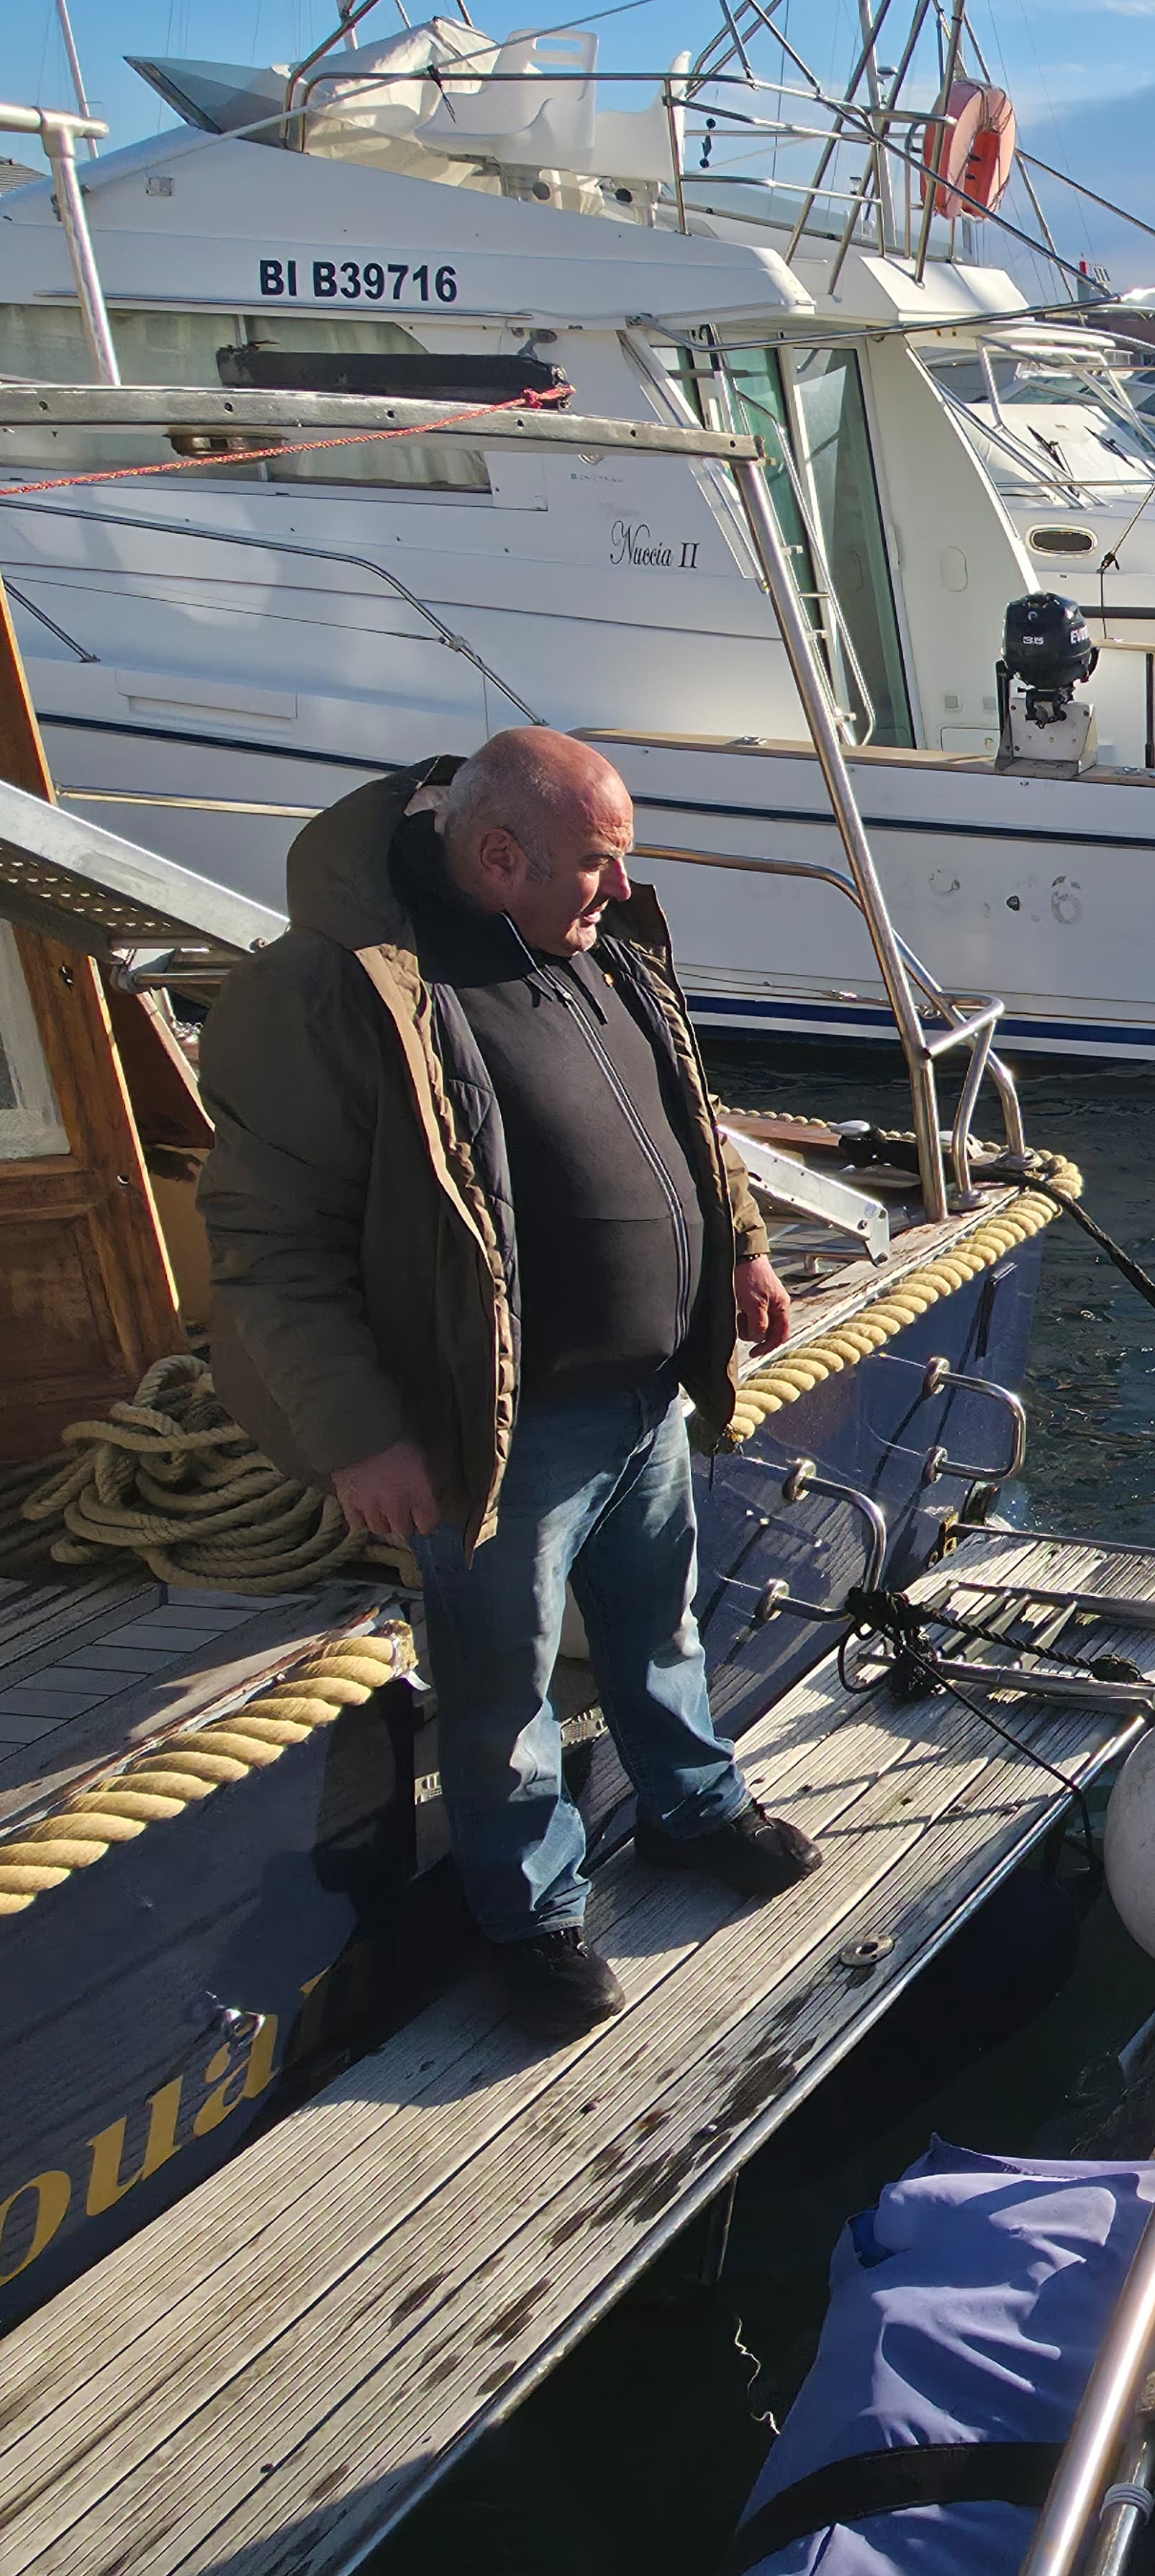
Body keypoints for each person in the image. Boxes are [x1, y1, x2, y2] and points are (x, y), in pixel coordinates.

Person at [198, 727, 815, 2040]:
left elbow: (685, 1117)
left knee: (661, 1631)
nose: (619, 884)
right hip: (501, 1428)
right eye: (597, 861)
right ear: (497, 856)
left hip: (645, 1392)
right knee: (500, 1692)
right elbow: (269, 1251)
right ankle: (532, 1917)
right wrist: (361, 1435)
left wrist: (744, 1251)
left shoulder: (600, 941)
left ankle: (693, 1807)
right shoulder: (331, 993)